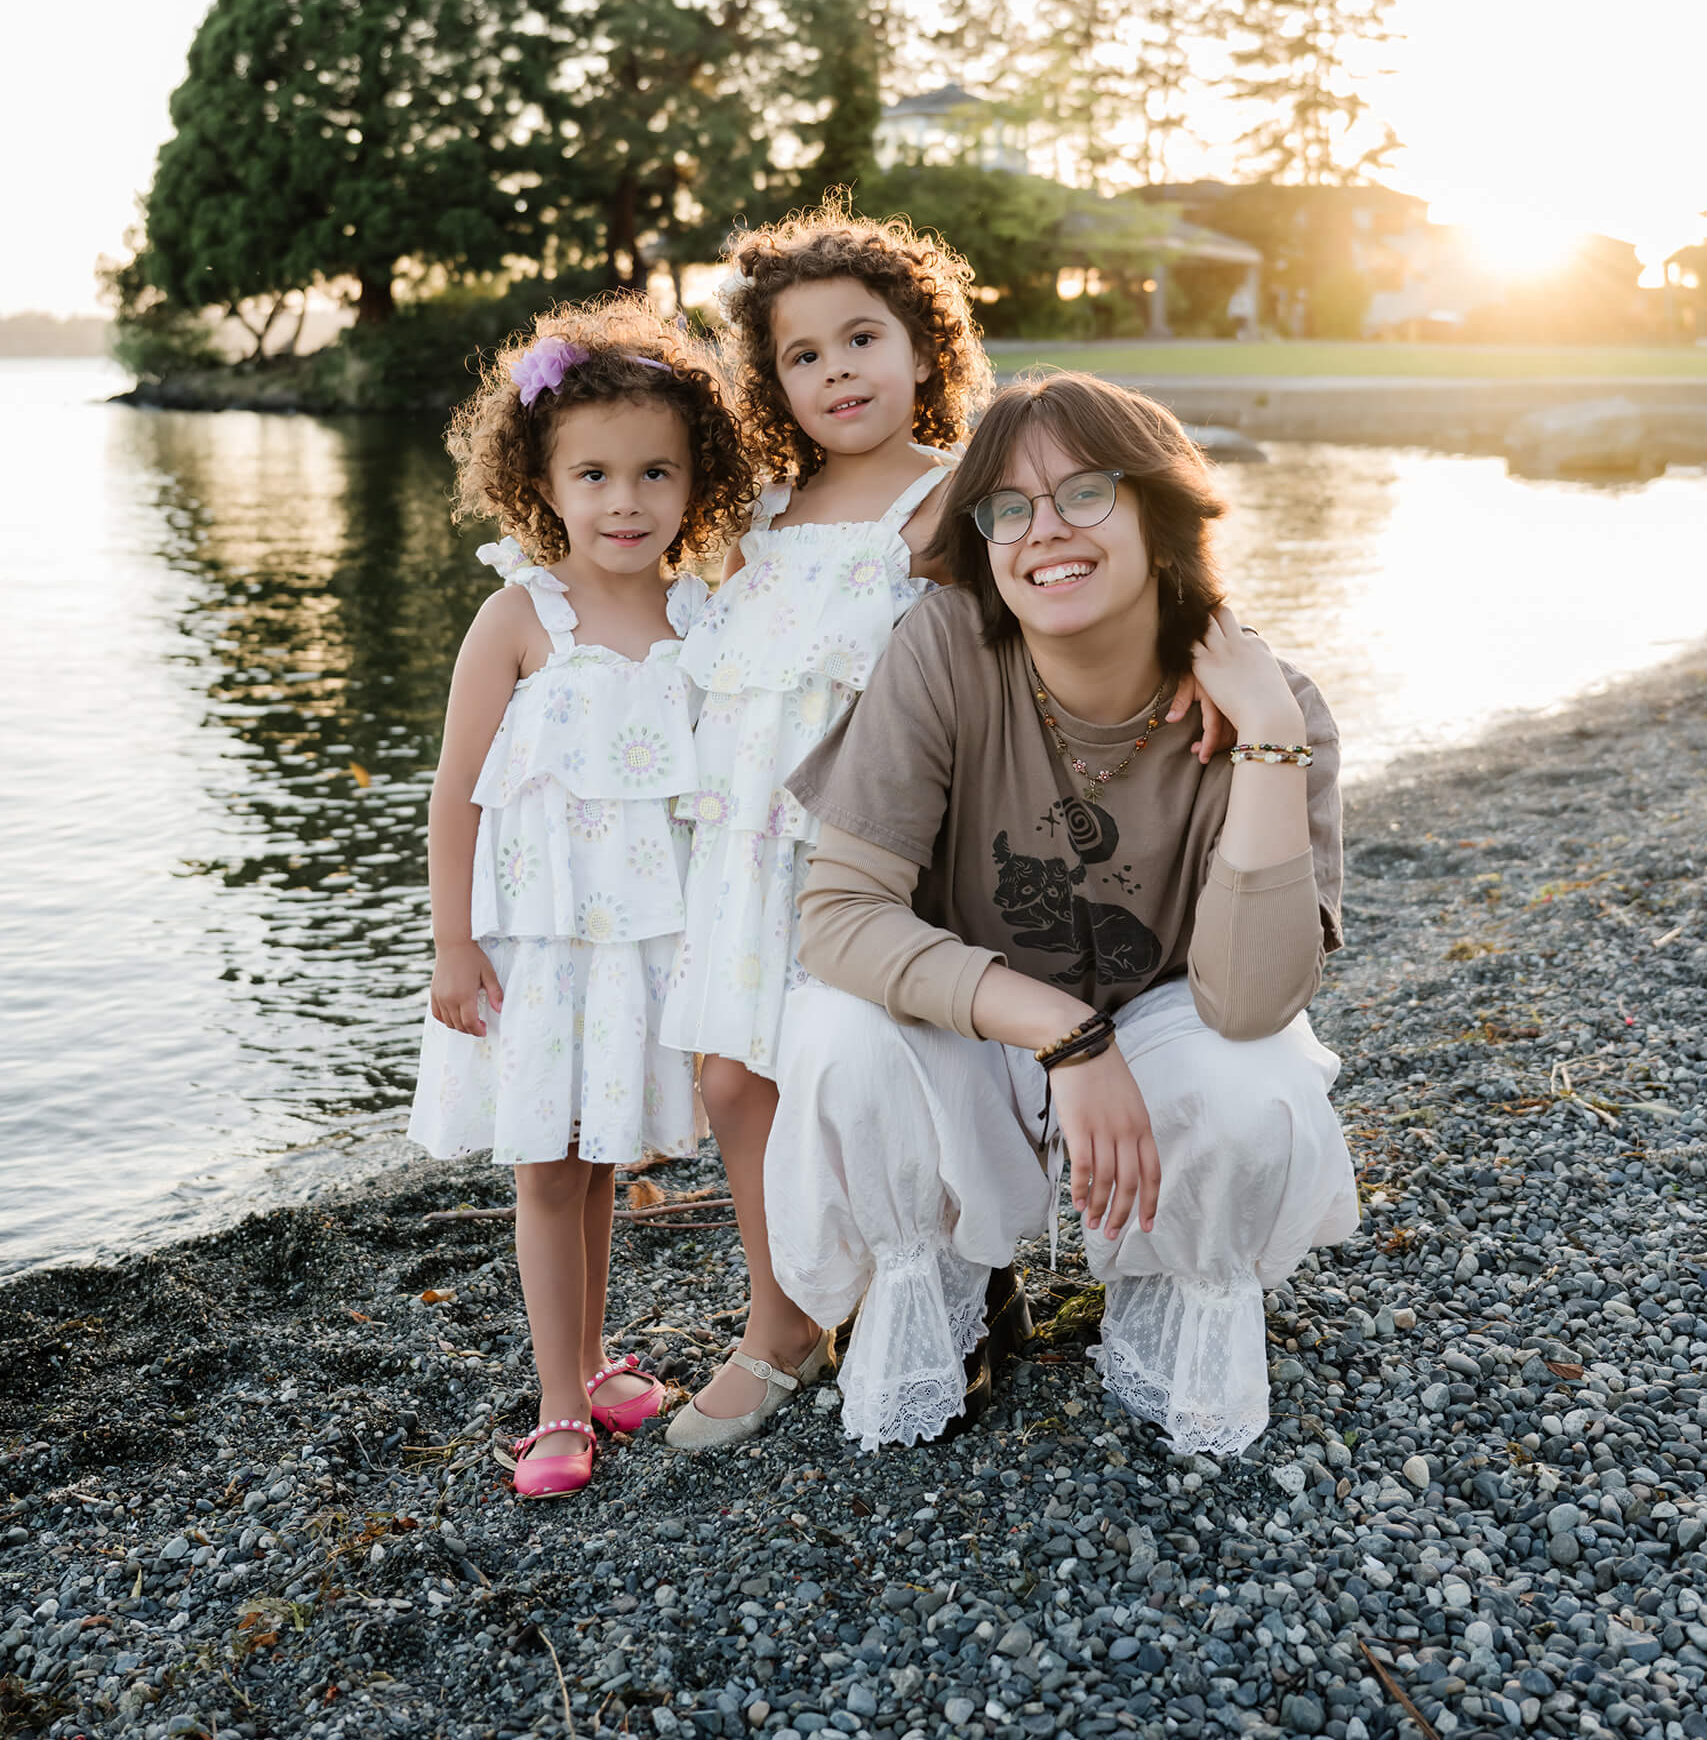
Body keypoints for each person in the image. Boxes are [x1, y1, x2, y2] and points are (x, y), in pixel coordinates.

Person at [765, 371, 1359, 1458]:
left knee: (1255, 1086)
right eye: (1009, 507)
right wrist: (1062, 1033)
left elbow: (1253, 1001)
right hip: (985, 1021)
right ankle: (956, 1282)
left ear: (1156, 511)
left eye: (1085, 492)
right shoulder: (945, 647)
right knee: (834, 1037)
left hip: (1169, 1020)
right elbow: (838, 918)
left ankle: (1172, 1298)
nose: (1046, 531)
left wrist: (1271, 735)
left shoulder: (1277, 710)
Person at [657, 205, 992, 1448]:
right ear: (773, 381)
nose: (837, 370)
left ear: (924, 350)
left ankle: (931, 1287)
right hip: (745, 853)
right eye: (803, 355)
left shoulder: (950, 497)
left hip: (872, 849)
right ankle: (784, 1313)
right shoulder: (756, 520)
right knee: (733, 1077)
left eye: (864, 338)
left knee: (857, 1074)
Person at [406, 299, 752, 1498]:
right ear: (542, 480)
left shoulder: (703, 613)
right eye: (594, 472)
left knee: (605, 1154)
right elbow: (457, 794)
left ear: (694, 480)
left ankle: (600, 1360)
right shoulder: (519, 617)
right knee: (549, 1167)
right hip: (542, 944)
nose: (625, 500)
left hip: (647, 944)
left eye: (656, 472)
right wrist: (453, 944)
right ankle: (561, 1405)